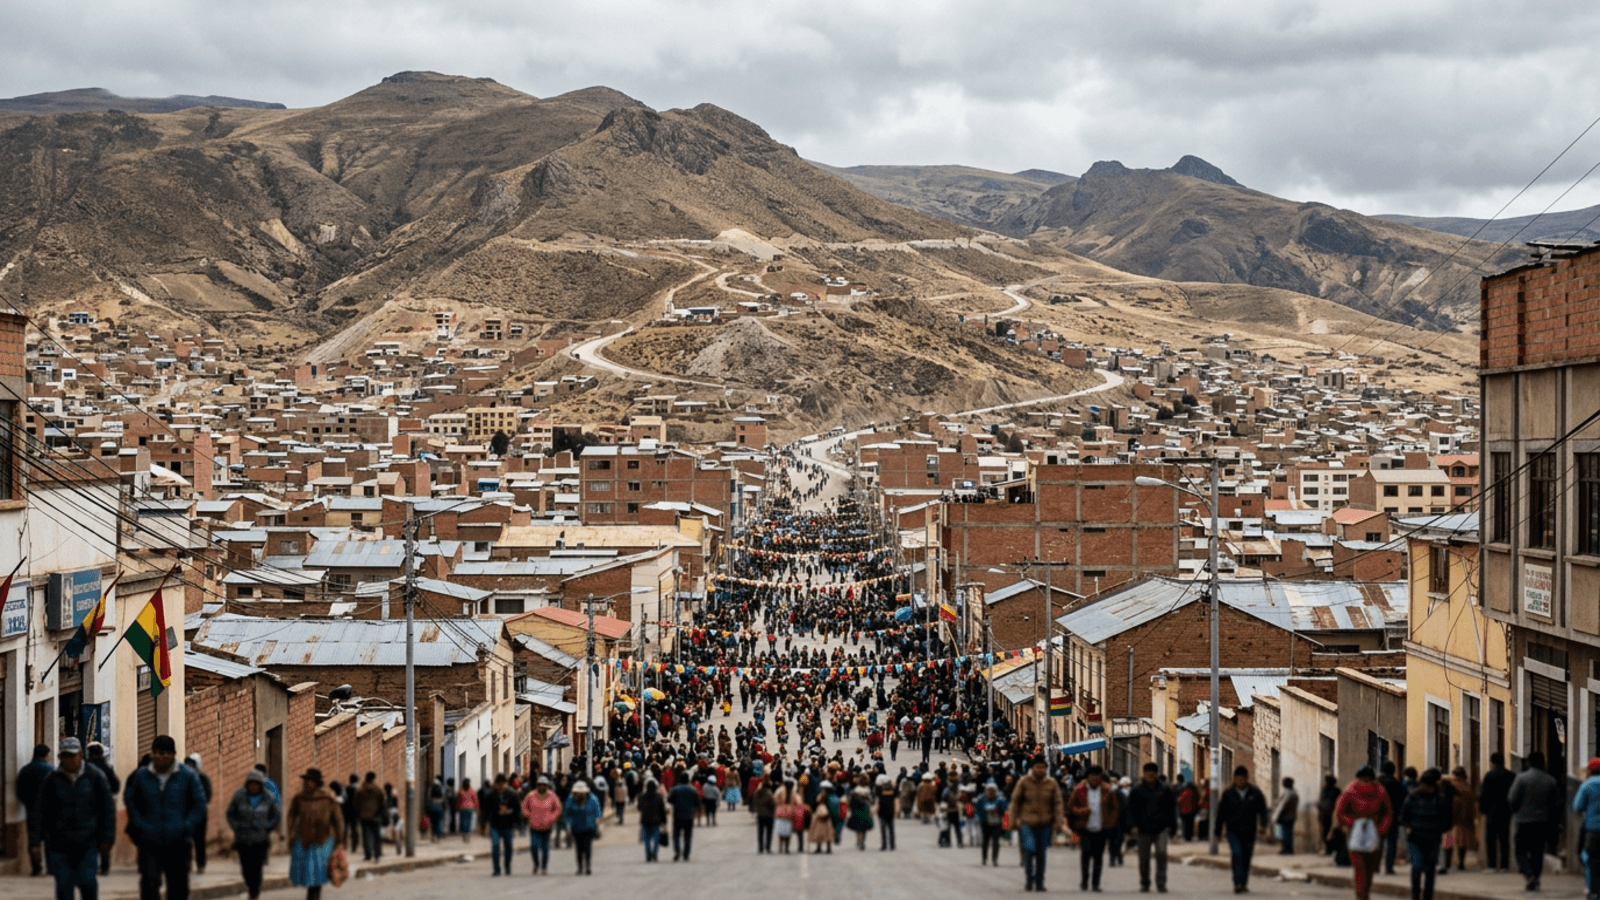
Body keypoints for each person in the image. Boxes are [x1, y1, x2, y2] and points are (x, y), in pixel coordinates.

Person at [27, 737, 114, 900]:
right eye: (65, 756)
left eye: (73, 755)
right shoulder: (51, 780)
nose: (70, 760)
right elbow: (39, 812)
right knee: (64, 887)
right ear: (60, 757)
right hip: (59, 846)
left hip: (88, 843)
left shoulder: (95, 777)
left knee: (87, 882)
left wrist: (107, 838)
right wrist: (35, 842)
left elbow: (107, 809)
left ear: (80, 755)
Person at [124, 735, 207, 900]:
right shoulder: (142, 776)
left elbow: (199, 804)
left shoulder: (187, 776)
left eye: (164, 754)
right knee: (149, 884)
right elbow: (131, 800)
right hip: (150, 841)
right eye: (156, 753)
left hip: (178, 841)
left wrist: (187, 825)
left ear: (172, 755)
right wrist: (139, 823)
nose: (160, 758)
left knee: (178, 887)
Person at [1334, 766, 1394, 900]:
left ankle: (1364, 892)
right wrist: (1354, 823)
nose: (1365, 782)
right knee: (1360, 867)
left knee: (1370, 868)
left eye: (1368, 779)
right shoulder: (1350, 791)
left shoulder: (1380, 791)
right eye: (1363, 779)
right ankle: (1362, 895)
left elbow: (1387, 813)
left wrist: (1381, 829)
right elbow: (1340, 813)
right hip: (1355, 834)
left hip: (1374, 834)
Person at [225, 769, 281, 900]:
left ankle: (254, 891)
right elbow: (230, 814)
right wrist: (236, 826)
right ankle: (250, 885)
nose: (254, 786)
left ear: (260, 785)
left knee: (257, 867)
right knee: (246, 868)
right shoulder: (240, 797)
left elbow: (276, 815)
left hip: (260, 840)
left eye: (256, 784)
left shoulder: (267, 797)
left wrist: (267, 827)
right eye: (251, 783)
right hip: (243, 839)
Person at [1507, 751, 1559, 892]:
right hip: (1541, 822)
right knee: (1537, 852)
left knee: (1520, 851)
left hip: (1523, 821)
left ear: (1529, 762)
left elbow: (1512, 798)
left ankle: (1528, 874)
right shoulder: (1550, 780)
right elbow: (1555, 804)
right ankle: (1536, 877)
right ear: (1543, 763)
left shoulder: (1521, 778)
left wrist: (1517, 811)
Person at [287, 768, 342, 900]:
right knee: (306, 872)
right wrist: (290, 834)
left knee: (317, 873)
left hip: (322, 840)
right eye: (305, 781)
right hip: (303, 839)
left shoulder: (327, 799)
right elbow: (291, 816)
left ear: (316, 783)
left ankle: (314, 895)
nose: (306, 784)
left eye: (309, 781)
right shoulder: (299, 798)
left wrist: (339, 841)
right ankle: (313, 894)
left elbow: (338, 820)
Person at [1011, 757, 1065, 892]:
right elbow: (1015, 802)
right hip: (1027, 823)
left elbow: (1058, 803)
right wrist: (1012, 820)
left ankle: (1039, 881)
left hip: (1045, 823)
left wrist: (1058, 821)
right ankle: (1029, 880)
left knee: (1041, 854)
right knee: (1029, 850)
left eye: (1043, 767)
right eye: (1037, 767)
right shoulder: (1024, 782)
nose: (1040, 770)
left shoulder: (1051, 783)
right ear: (1032, 768)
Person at [1399, 769, 1452, 900]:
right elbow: (1403, 815)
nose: (1422, 787)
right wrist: (1409, 826)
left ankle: (1427, 895)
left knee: (1430, 870)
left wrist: (1439, 829)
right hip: (1415, 838)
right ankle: (1415, 894)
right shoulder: (1413, 796)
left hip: (1433, 838)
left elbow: (1448, 820)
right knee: (1416, 867)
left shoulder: (1440, 799)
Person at [1216, 765, 1269, 895]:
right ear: (1234, 779)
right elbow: (1221, 813)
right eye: (1238, 779)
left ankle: (1244, 883)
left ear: (1246, 779)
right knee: (1237, 854)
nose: (1240, 781)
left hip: (1249, 831)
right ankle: (1237, 883)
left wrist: (1263, 825)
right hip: (1233, 831)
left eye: (1243, 779)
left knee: (1246, 857)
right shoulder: (1228, 794)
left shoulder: (1255, 793)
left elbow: (1262, 810)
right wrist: (1217, 830)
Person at [1068, 765, 1120, 892]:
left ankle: (1095, 883)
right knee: (1086, 854)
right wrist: (1083, 811)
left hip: (1101, 828)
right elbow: (1071, 808)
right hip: (1085, 828)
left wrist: (1110, 822)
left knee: (1098, 856)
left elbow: (1115, 808)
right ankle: (1084, 880)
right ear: (1088, 777)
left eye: (1098, 776)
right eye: (1093, 776)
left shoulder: (1108, 790)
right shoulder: (1079, 790)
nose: (1095, 778)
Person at [1127, 762, 1176, 893]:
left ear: (1157, 774)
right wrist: (1132, 826)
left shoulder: (1164, 790)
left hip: (1161, 829)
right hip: (1143, 830)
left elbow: (1171, 809)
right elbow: (1130, 810)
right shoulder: (1137, 790)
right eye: (1148, 772)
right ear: (1144, 774)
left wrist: (1172, 827)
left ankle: (1161, 883)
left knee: (1161, 855)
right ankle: (1145, 883)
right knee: (1144, 858)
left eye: (1153, 772)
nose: (1150, 775)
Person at [18, 744, 55, 877]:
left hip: (32, 810)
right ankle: (51, 868)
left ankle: (36, 867)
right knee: (50, 841)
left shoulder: (25, 770)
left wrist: (28, 803)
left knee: (34, 840)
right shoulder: (51, 769)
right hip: (49, 811)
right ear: (45, 755)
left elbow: (20, 791)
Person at [84, 743, 120, 876]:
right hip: (105, 808)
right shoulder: (107, 767)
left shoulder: (85, 767)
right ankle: (104, 866)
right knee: (104, 837)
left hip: (88, 809)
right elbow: (116, 786)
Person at [1479, 753, 1514, 874]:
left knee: (1491, 839)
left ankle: (1492, 865)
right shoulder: (1511, 775)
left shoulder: (1489, 775)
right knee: (1505, 838)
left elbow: (1483, 794)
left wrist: (1482, 810)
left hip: (1491, 811)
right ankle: (1505, 865)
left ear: (1492, 762)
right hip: (1506, 811)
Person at [1572, 757, 1600, 900]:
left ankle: (1593, 890)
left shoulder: (1587, 785)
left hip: (1593, 829)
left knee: (1591, 860)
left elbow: (1577, 806)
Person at [521, 776, 561, 874]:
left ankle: (544, 867)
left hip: (547, 826)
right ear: (537, 786)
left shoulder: (552, 796)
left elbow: (557, 808)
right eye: (540, 785)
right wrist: (528, 815)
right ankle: (536, 863)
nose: (542, 787)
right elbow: (524, 806)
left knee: (545, 848)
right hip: (534, 826)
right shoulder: (531, 796)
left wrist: (552, 818)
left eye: (544, 785)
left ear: (547, 786)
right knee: (534, 846)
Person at [562, 781, 602, 875]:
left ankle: (588, 866)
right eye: (577, 793)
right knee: (579, 848)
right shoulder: (570, 800)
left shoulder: (593, 799)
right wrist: (567, 826)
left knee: (587, 847)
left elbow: (597, 812)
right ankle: (580, 867)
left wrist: (598, 824)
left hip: (589, 827)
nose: (579, 795)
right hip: (576, 828)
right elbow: (567, 814)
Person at [182, 755, 213, 875]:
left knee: (198, 841)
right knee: (188, 840)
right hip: (188, 814)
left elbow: (207, 796)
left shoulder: (202, 779)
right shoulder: (183, 778)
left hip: (198, 814)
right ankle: (189, 864)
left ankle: (200, 864)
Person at [486, 774, 521, 876]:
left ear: (506, 784)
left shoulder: (512, 795)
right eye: (498, 784)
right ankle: (496, 869)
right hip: (495, 825)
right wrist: (484, 824)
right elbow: (486, 810)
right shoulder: (491, 795)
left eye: (503, 784)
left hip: (508, 825)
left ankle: (507, 866)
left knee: (508, 847)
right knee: (495, 846)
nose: (500, 786)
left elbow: (517, 810)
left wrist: (515, 821)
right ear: (495, 784)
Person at [1445, 767, 1478, 871]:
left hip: (1452, 819)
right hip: (1466, 820)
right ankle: (1461, 863)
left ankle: (1447, 863)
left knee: (1448, 842)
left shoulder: (1451, 785)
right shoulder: (1468, 787)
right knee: (1463, 843)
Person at [1377, 762, 1405, 874]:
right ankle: (1389, 867)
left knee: (1378, 842)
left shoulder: (1377, 783)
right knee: (1391, 843)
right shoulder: (1397, 784)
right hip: (1392, 816)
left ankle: (1375, 866)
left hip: (1378, 817)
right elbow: (1403, 799)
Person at [353, 773, 386, 862]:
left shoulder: (360, 790)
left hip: (364, 817)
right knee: (376, 837)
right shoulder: (378, 790)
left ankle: (368, 855)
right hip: (376, 816)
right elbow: (382, 803)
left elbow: (356, 803)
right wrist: (381, 814)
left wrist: (358, 814)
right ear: (373, 779)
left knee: (366, 836)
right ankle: (377, 854)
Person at [637, 778, 667, 862]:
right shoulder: (659, 797)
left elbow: (639, 808)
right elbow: (662, 810)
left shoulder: (642, 796)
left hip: (645, 820)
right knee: (656, 838)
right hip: (656, 820)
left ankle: (648, 855)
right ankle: (655, 853)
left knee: (646, 839)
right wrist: (664, 821)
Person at [1272, 777, 1300, 855]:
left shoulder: (1289, 793)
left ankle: (1285, 849)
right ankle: (1287, 848)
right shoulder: (1293, 792)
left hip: (1284, 816)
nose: (1283, 784)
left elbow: (1284, 805)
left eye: (1284, 782)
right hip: (1289, 816)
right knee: (1286, 833)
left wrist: (1279, 813)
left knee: (1282, 833)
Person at [753, 779, 777, 854]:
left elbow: (754, 802)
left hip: (760, 814)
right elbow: (773, 804)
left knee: (760, 832)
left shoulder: (757, 793)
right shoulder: (769, 793)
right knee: (769, 832)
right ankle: (768, 847)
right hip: (769, 815)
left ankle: (760, 847)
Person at [876, 774, 899, 851]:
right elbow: (896, 800)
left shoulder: (879, 789)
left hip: (882, 811)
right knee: (891, 829)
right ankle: (892, 845)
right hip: (891, 810)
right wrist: (897, 809)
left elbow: (878, 801)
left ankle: (884, 845)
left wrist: (876, 809)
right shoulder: (893, 789)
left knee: (883, 830)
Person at [846, 784, 874, 850]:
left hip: (856, 812)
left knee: (858, 828)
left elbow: (849, 803)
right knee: (864, 828)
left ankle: (859, 841)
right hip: (865, 812)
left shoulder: (853, 794)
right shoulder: (867, 793)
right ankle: (862, 842)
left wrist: (848, 809)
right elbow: (872, 801)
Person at [1176, 778, 1199, 842]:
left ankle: (1186, 836)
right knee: (1190, 824)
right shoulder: (1195, 792)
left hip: (1184, 810)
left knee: (1185, 824)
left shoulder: (1185, 792)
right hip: (1193, 810)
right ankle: (1190, 836)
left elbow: (1180, 800)